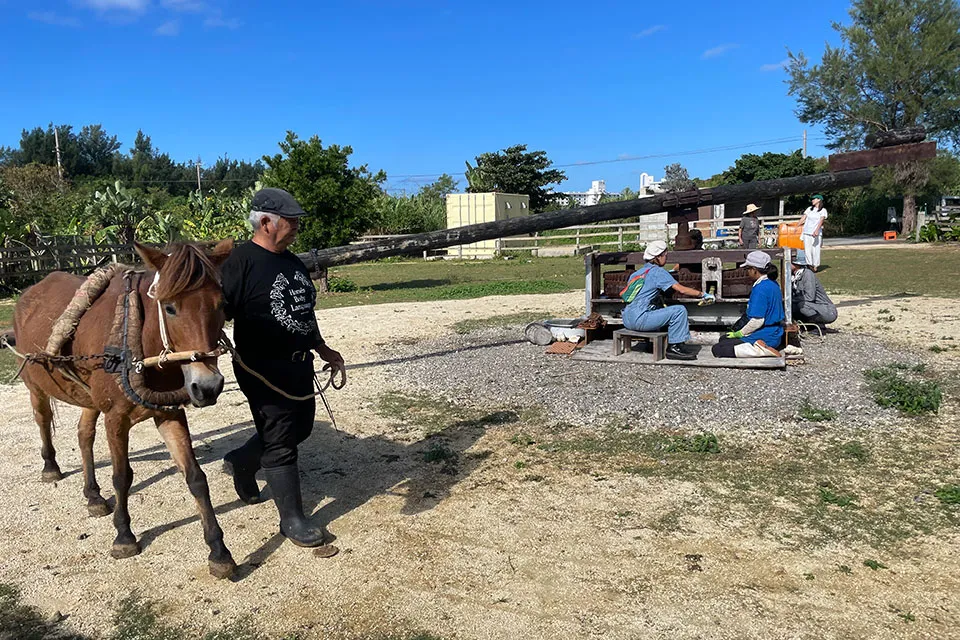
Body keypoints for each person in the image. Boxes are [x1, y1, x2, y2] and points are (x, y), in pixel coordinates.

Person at [220, 187, 347, 548]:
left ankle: (243, 461)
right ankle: (292, 519)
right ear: (265, 222)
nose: (297, 227)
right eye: (292, 221)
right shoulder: (239, 262)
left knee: (301, 428)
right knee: (279, 440)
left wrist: (322, 348)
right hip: (261, 368)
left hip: (299, 365)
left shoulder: (292, 261)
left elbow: (302, 311)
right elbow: (215, 310)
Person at [620, 240, 715, 360]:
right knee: (679, 311)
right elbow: (681, 290)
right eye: (665, 255)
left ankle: (651, 344)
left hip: (627, 319)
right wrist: (703, 294)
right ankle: (674, 347)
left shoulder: (637, 273)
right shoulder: (658, 272)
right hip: (640, 320)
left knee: (657, 306)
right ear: (658, 257)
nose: (666, 258)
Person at [712, 251, 784, 358]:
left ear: (754, 270)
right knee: (724, 339)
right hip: (775, 332)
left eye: (747, 269)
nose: (746, 273)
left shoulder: (760, 289)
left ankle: (761, 350)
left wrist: (740, 333)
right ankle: (761, 347)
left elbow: (757, 321)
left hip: (765, 335)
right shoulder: (772, 283)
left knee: (718, 349)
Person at [791, 251, 837, 325]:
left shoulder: (807, 274)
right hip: (813, 307)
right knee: (791, 306)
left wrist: (791, 300)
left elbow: (809, 297)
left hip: (825, 309)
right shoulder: (794, 277)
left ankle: (818, 326)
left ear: (796, 264)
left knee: (802, 305)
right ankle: (805, 325)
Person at [796, 194, 827, 271]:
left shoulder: (823, 210)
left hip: (815, 233)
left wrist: (816, 230)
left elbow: (821, 220)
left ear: (819, 200)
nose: (812, 200)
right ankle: (809, 265)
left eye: (814, 199)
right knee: (807, 250)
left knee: (815, 250)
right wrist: (797, 225)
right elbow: (803, 217)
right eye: (812, 199)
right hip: (806, 232)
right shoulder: (809, 209)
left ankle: (815, 265)